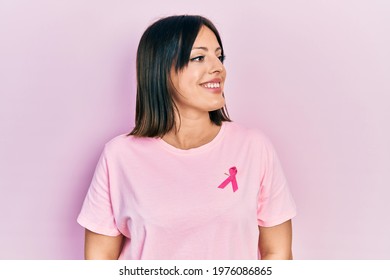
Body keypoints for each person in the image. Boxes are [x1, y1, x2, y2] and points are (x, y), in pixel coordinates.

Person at [77, 15, 297, 260]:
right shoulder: (118, 156)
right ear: (161, 69)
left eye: (219, 56)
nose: (218, 68)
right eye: (199, 57)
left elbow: (276, 252)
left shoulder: (254, 148)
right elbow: (99, 259)